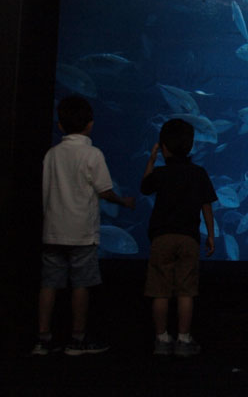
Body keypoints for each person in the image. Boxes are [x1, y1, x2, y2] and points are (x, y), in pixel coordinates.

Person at [33, 95, 135, 356]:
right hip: (82, 234)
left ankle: (43, 339)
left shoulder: (51, 154)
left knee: (49, 284)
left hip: (53, 230)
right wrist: (123, 202)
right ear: (90, 124)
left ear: (59, 125)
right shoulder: (92, 154)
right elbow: (104, 191)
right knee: (81, 285)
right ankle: (77, 339)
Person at [140, 118, 216, 357]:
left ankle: (162, 339)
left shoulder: (161, 174)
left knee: (160, 291)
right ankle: (183, 340)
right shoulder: (198, 173)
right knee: (186, 292)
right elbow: (207, 207)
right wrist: (211, 236)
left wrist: (152, 159)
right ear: (191, 146)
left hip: (162, 238)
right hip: (188, 239)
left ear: (163, 147)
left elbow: (145, 187)